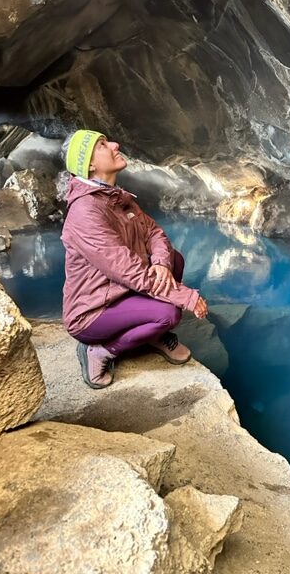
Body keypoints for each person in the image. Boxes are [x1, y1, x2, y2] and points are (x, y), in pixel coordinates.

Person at [60, 129, 208, 390]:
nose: (116, 144)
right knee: (168, 314)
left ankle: (151, 335)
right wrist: (186, 297)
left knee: (176, 260)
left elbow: (154, 233)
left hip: (121, 291)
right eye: (103, 145)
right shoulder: (85, 211)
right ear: (90, 165)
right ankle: (100, 351)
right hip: (94, 310)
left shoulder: (114, 196)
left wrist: (162, 263)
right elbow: (128, 270)